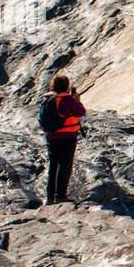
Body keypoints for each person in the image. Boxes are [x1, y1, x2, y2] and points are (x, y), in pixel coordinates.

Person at [40, 74, 85, 205]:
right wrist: (77, 100)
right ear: (66, 86)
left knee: (53, 165)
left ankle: (49, 197)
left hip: (51, 136)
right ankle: (60, 195)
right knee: (64, 165)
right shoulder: (68, 99)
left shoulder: (47, 99)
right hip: (67, 136)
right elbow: (80, 112)